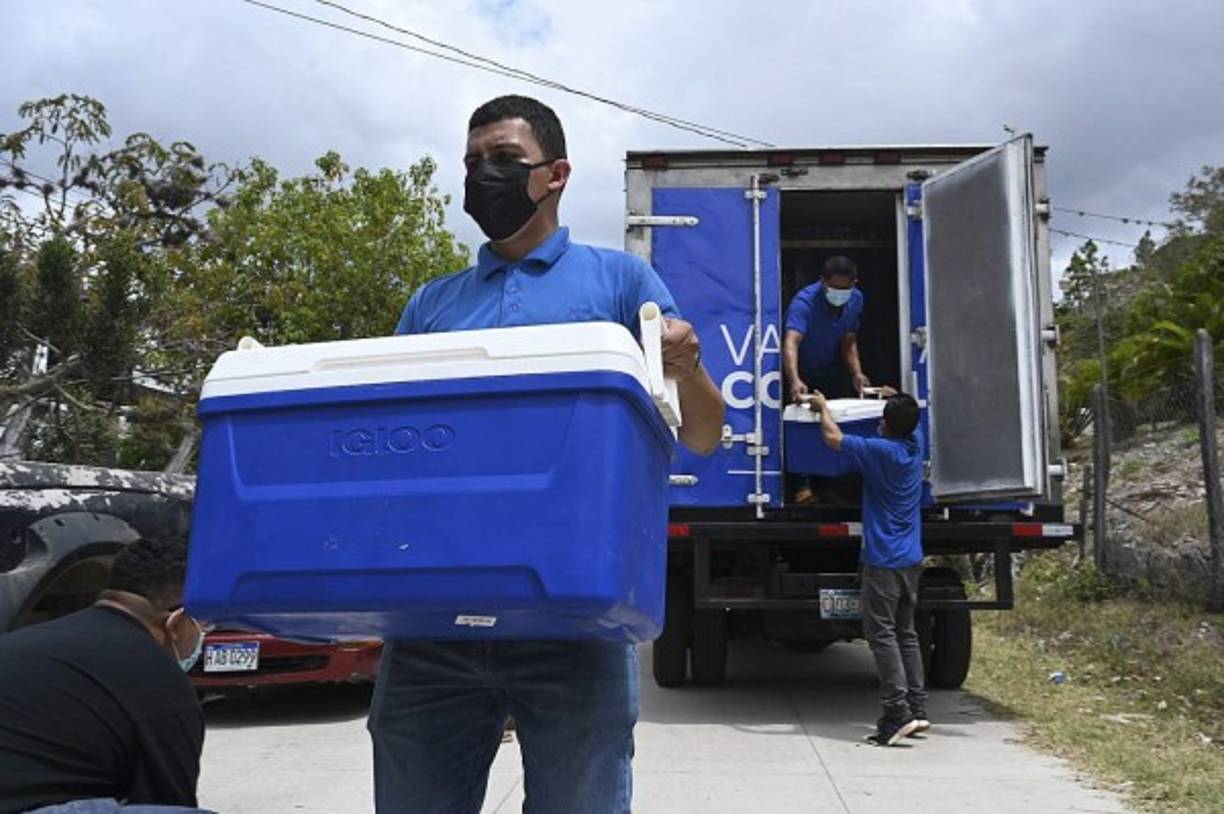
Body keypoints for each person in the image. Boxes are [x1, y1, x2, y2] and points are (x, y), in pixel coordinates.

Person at [367, 95, 724, 814]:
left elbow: (704, 435)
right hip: (432, 626)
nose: (482, 177)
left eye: (503, 160)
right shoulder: (431, 305)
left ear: (555, 174)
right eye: (473, 163)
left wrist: (687, 366)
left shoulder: (619, 284)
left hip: (576, 628)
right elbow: (395, 453)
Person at [0, 537, 212, 814]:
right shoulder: (159, 680)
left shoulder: (32, 642)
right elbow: (168, 799)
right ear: (177, 620)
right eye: (205, 624)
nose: (204, 635)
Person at [808, 389, 930, 747]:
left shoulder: (882, 452)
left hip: (884, 559)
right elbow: (910, 415)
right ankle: (918, 708)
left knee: (881, 636)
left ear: (886, 425)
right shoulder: (914, 445)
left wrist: (822, 408)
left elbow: (833, 438)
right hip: (911, 558)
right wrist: (896, 394)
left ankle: (896, 714)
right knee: (907, 633)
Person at [783, 256, 871, 504]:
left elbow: (849, 341)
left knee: (832, 426)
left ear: (854, 283)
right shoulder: (804, 303)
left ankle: (827, 485)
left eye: (846, 288)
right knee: (802, 426)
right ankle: (801, 486)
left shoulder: (856, 300)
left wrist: (857, 373)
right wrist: (795, 379)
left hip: (831, 371)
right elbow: (791, 342)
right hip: (803, 373)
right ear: (823, 282)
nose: (841, 293)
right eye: (835, 288)